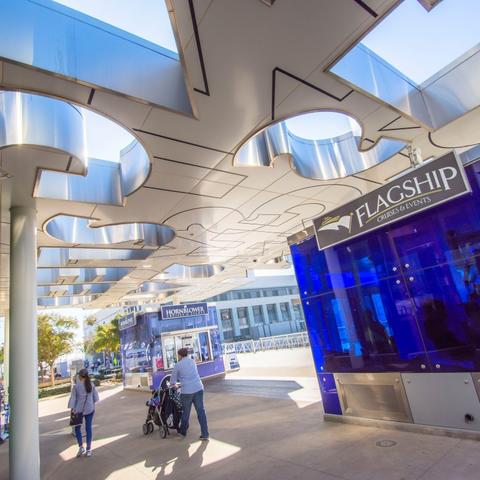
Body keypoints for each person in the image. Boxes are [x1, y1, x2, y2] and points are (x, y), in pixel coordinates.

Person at [171, 347, 209, 441]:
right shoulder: (192, 362)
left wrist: (175, 385)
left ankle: (183, 432)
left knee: (185, 413)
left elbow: (172, 381)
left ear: (179, 355)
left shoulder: (178, 365)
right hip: (198, 388)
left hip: (187, 392)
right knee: (201, 412)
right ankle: (205, 434)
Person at [68, 368, 99, 457]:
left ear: (80, 376)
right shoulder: (91, 385)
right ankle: (89, 449)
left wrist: (72, 407)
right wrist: (91, 404)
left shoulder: (76, 386)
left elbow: (73, 398)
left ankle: (81, 447)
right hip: (90, 409)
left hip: (78, 410)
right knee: (88, 428)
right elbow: (96, 398)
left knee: (78, 428)